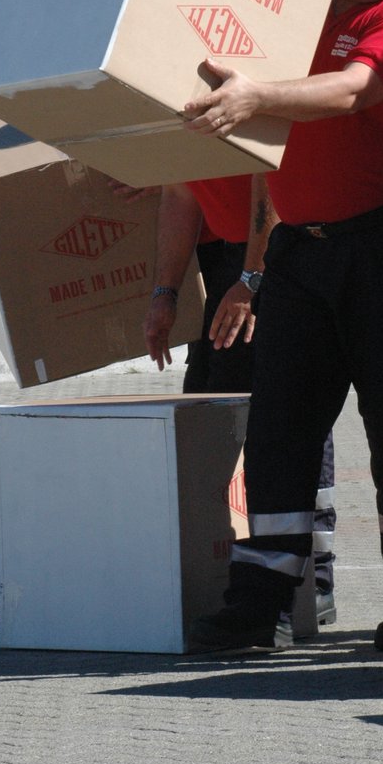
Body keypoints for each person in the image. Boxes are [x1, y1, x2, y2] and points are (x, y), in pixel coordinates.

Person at [182, 0, 383, 652]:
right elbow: (273, 167)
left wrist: (257, 93)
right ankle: (257, 602)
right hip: (301, 252)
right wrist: (258, 267)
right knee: (278, 429)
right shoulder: (295, 7)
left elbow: (351, 92)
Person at [143, 174, 338, 626]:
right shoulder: (180, 108)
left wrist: (251, 280)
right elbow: (179, 190)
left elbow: (267, 182)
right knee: (218, 414)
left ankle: (313, 580)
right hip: (230, 255)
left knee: (286, 411)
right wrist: (165, 293)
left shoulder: (229, 103)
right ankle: (236, 572)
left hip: (284, 249)